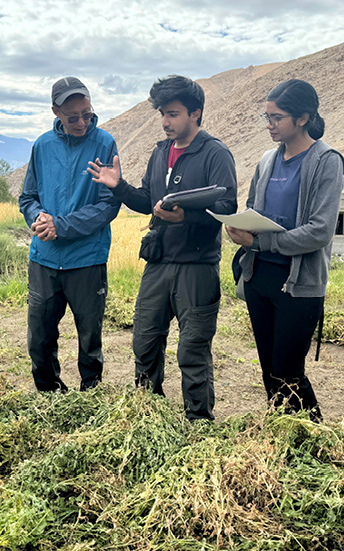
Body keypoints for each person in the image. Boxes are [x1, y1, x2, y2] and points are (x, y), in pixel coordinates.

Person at [87, 75, 237, 421]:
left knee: (193, 348)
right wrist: (119, 187)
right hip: (157, 264)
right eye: (162, 114)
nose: (165, 122)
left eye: (173, 114)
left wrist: (188, 216)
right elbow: (148, 201)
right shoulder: (160, 153)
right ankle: (148, 415)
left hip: (197, 266)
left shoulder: (215, 153)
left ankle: (198, 422)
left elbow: (227, 208)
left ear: (195, 113)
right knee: (145, 341)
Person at [225, 79, 344, 422]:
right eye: (267, 117)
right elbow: (252, 207)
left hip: (299, 285)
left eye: (276, 117)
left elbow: (319, 231)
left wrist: (260, 241)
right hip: (259, 275)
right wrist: (240, 226)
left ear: (304, 117)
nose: (269, 125)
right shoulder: (267, 160)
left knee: (289, 371)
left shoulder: (326, 162)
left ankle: (314, 437)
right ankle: (281, 433)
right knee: (268, 369)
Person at [19, 77, 120, 393]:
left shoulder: (104, 144)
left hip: (87, 259)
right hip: (44, 259)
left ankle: (90, 393)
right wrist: (38, 217)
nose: (81, 122)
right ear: (56, 112)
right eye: (72, 116)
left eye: (87, 114)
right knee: (39, 335)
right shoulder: (42, 145)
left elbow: (107, 206)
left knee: (90, 336)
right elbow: (28, 197)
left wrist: (59, 225)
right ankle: (49, 393)